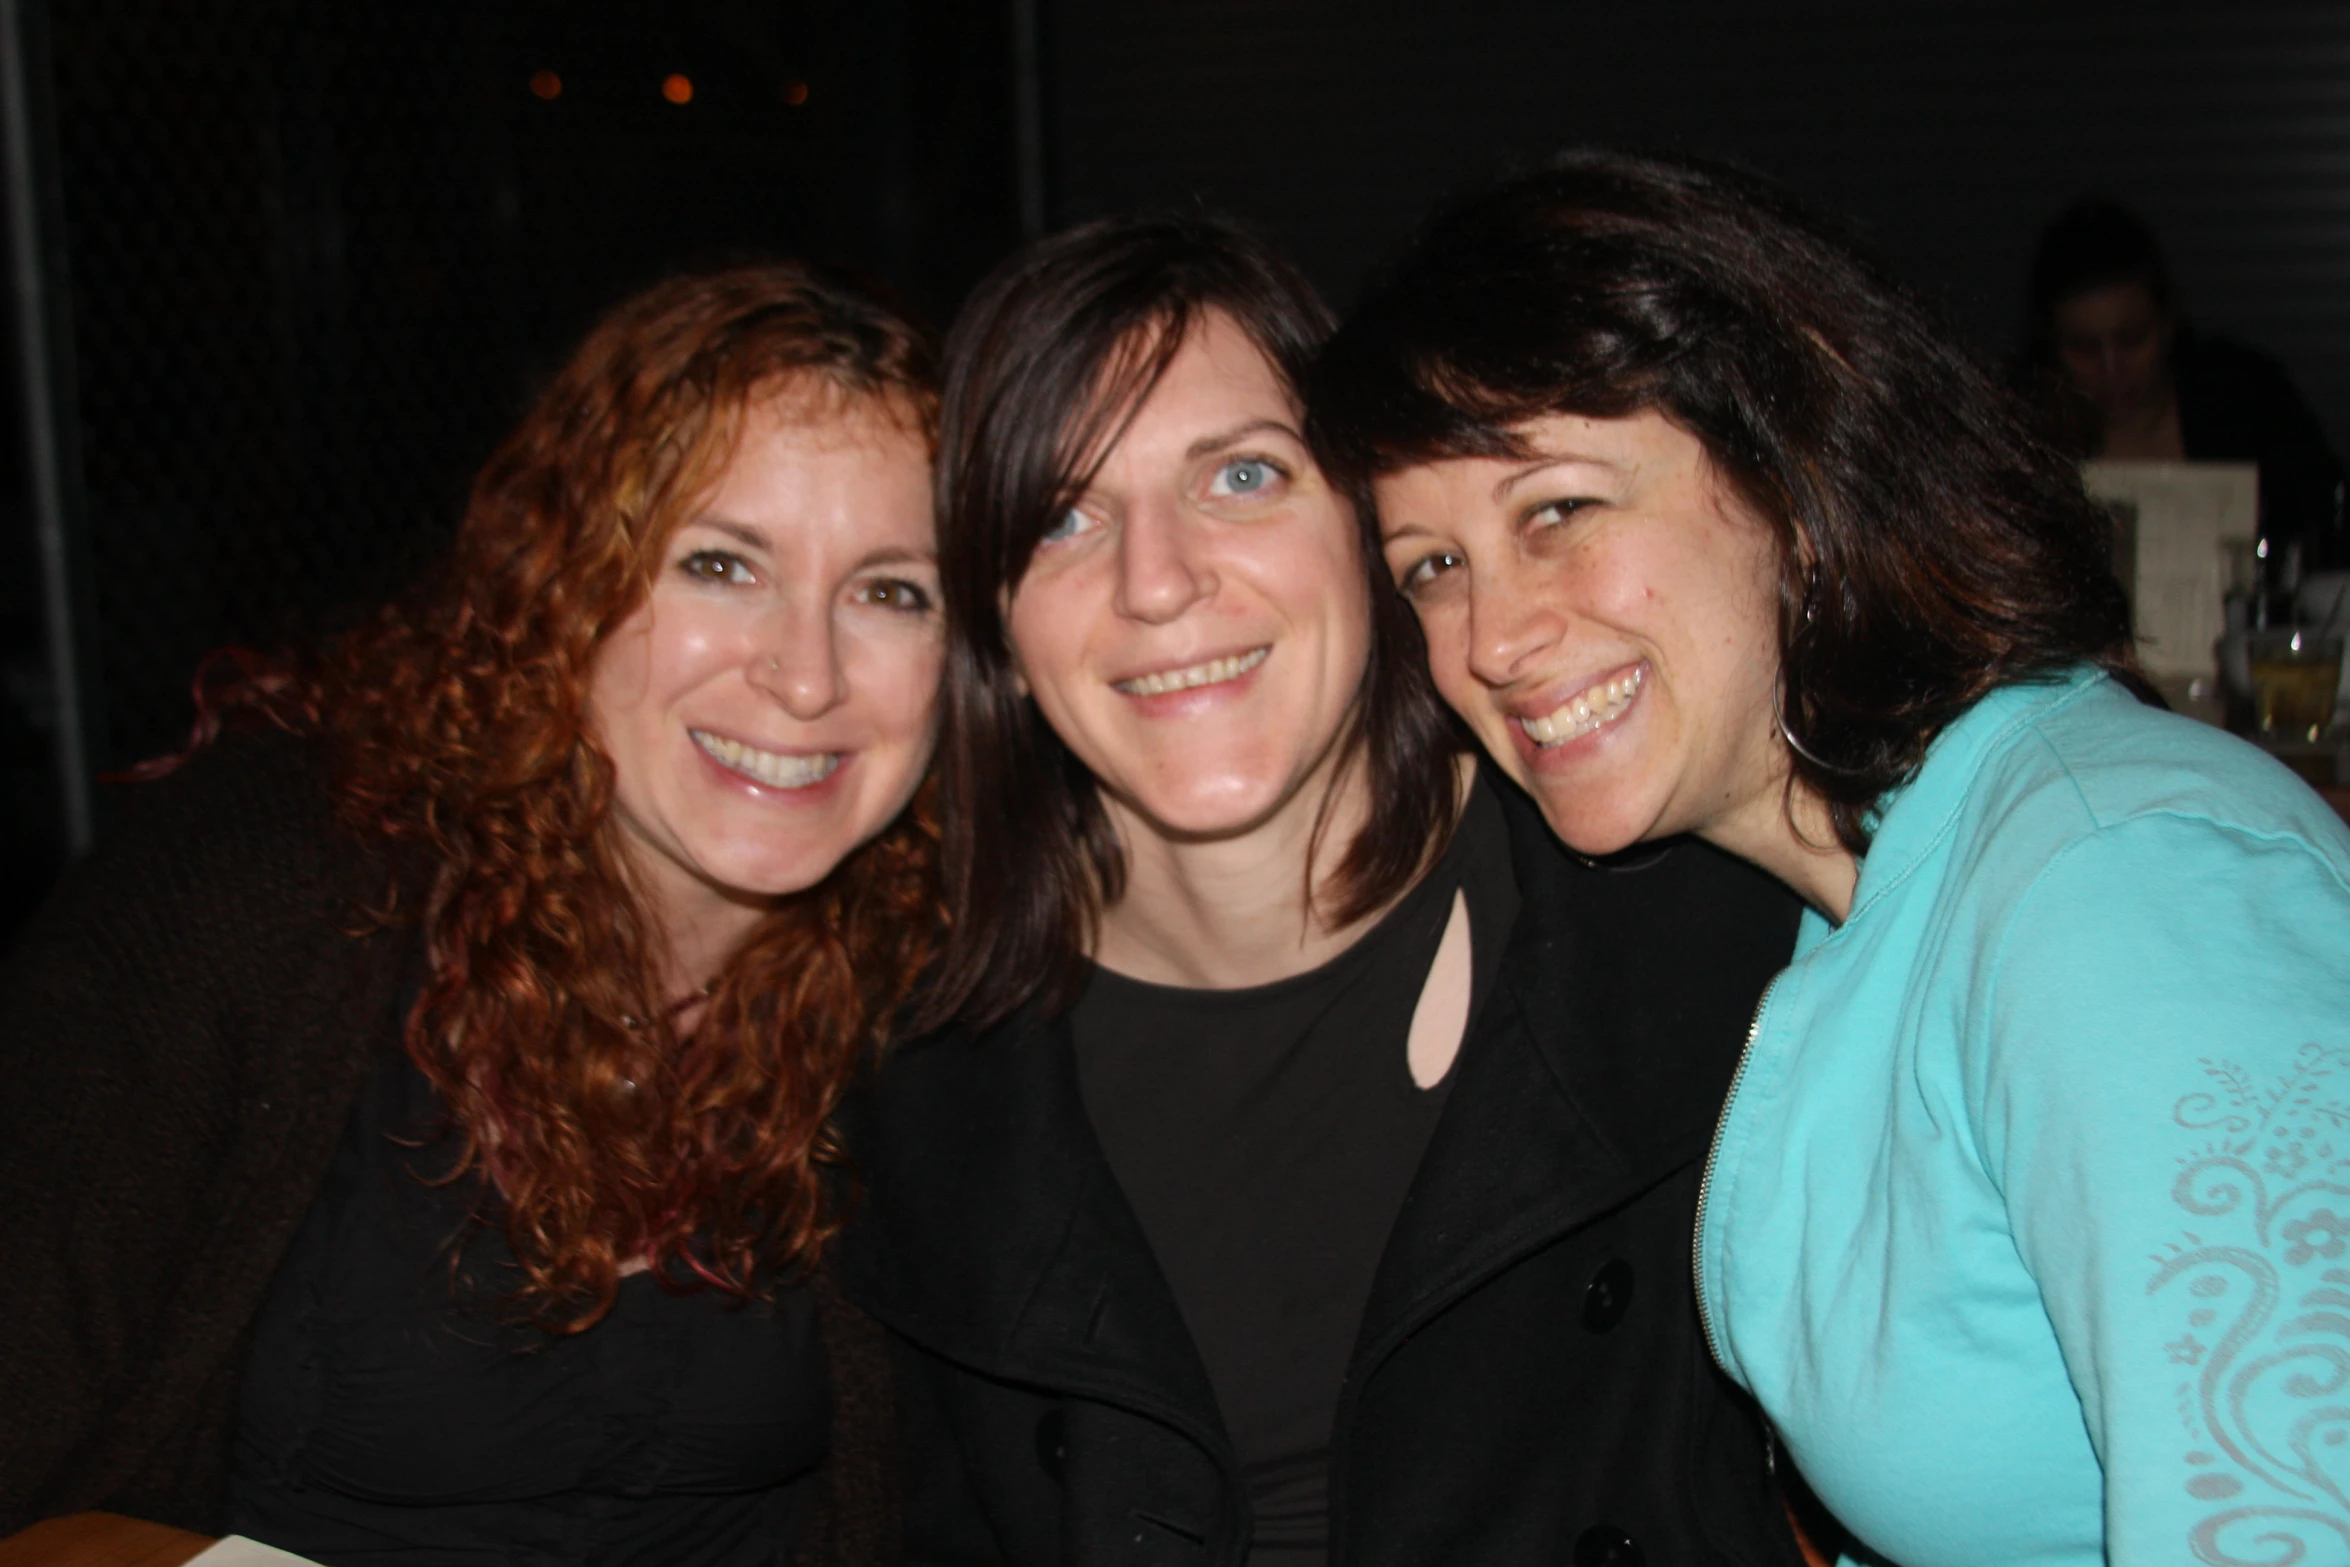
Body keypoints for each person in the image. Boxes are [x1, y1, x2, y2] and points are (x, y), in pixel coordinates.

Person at [1310, 148, 2350, 1567]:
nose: (1487, 640)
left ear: (1791, 464)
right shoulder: (1845, 890)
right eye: (1432, 564)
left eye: (1554, 510)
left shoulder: (2119, 882)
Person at [836, 213, 1809, 1567]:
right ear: (995, 615)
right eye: (1064, 515)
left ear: (1366, 517)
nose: (1158, 581)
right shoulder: (911, 1075)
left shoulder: (1674, 916)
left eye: (1240, 475)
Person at [0, 263, 946, 1566]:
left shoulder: (947, 993)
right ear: (565, 585)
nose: (805, 671)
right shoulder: (268, 887)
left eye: (891, 590)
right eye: (721, 563)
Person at [2021, 197, 2346, 570]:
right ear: (2050, 346)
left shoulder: (2245, 402)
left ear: (2167, 321)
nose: (2111, 370)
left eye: (2132, 339)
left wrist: (2277, 529)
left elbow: (2328, 524)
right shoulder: (2025, 432)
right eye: (2084, 348)